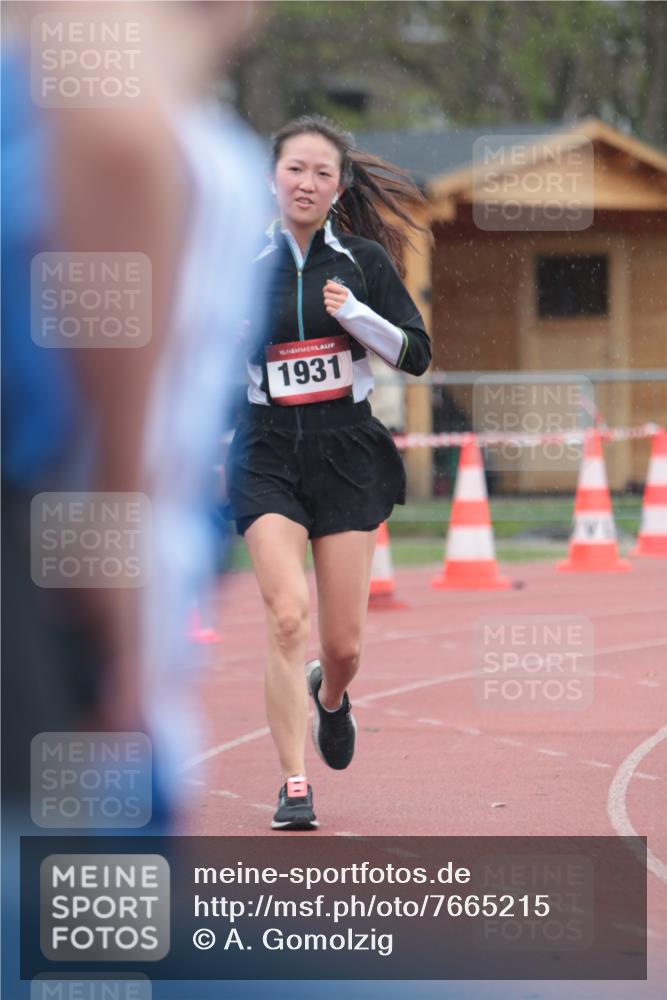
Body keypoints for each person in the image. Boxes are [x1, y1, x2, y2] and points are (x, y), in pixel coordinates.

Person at [225, 114, 431, 830]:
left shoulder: (364, 261)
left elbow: (415, 353)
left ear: (338, 185)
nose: (306, 182)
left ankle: (331, 697)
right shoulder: (237, 263)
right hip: (266, 453)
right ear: (271, 179)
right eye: (294, 170)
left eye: (321, 172)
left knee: (341, 645)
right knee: (287, 615)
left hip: (346, 453)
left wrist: (360, 320)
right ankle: (292, 784)